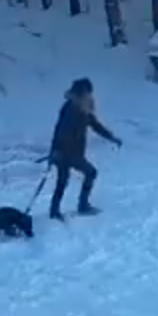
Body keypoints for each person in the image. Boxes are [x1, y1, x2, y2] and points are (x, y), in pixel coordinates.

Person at [47, 78, 122, 220]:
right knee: (85, 174)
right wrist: (55, 151)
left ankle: (59, 209)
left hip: (73, 152)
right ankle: (78, 206)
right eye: (88, 92)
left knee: (66, 180)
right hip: (65, 153)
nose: (90, 95)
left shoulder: (82, 108)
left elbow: (95, 125)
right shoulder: (71, 109)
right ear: (82, 92)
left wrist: (111, 137)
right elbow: (60, 131)